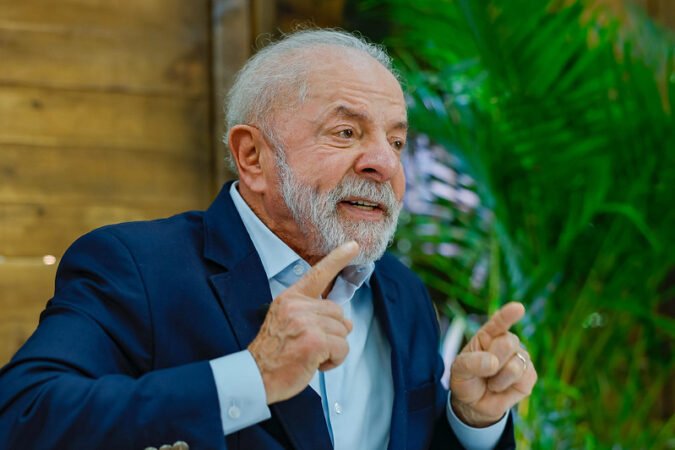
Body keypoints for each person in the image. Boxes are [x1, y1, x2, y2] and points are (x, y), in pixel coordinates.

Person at [0, 29, 536, 450]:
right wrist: (253, 377)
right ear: (252, 157)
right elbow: (22, 417)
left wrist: (471, 419)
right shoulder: (136, 266)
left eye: (396, 141)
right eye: (346, 132)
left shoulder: (404, 293)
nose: (384, 162)